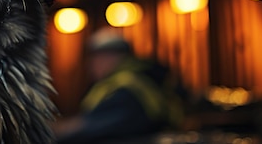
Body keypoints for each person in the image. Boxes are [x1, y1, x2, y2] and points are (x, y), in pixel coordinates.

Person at [54, 28, 183, 143]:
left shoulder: (128, 87)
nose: (91, 65)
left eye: (96, 58)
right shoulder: (118, 82)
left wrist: (56, 132)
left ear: (112, 57)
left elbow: (98, 127)